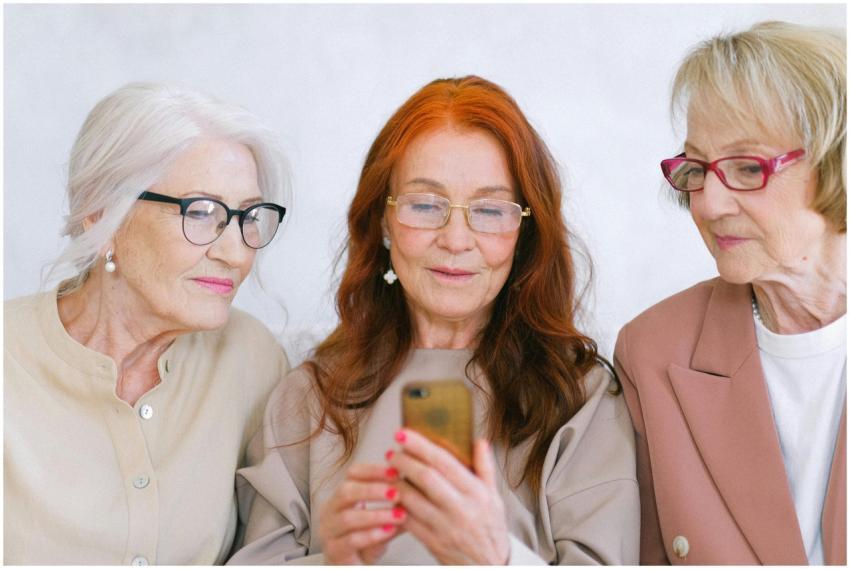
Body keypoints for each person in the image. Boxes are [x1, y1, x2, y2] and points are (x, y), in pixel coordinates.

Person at [228, 75, 639, 565]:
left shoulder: (581, 397)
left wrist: (497, 559)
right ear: (382, 222)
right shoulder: (309, 396)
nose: (456, 240)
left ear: (525, 234)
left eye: (490, 211)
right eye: (425, 205)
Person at [5, 82, 292, 565]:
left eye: (248, 216)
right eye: (201, 212)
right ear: (101, 214)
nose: (236, 253)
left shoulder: (252, 358)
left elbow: (279, 547)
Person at [615, 21, 846, 565]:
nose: (709, 205)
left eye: (747, 167)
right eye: (697, 168)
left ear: (836, 161)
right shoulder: (653, 351)